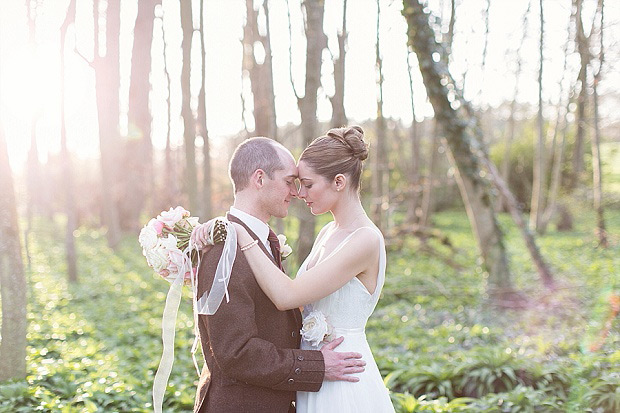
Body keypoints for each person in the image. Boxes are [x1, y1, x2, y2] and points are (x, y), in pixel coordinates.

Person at [191, 137, 365, 413]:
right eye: (289, 181)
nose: (296, 192)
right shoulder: (223, 247)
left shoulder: (258, 241)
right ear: (259, 178)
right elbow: (235, 352)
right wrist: (315, 366)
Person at [230, 126, 395, 412]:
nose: (298, 193)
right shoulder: (328, 232)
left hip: (342, 373)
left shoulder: (365, 240)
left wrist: (239, 231)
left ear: (339, 182)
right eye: (296, 184)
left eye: (307, 184)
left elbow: (287, 296)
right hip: (316, 370)